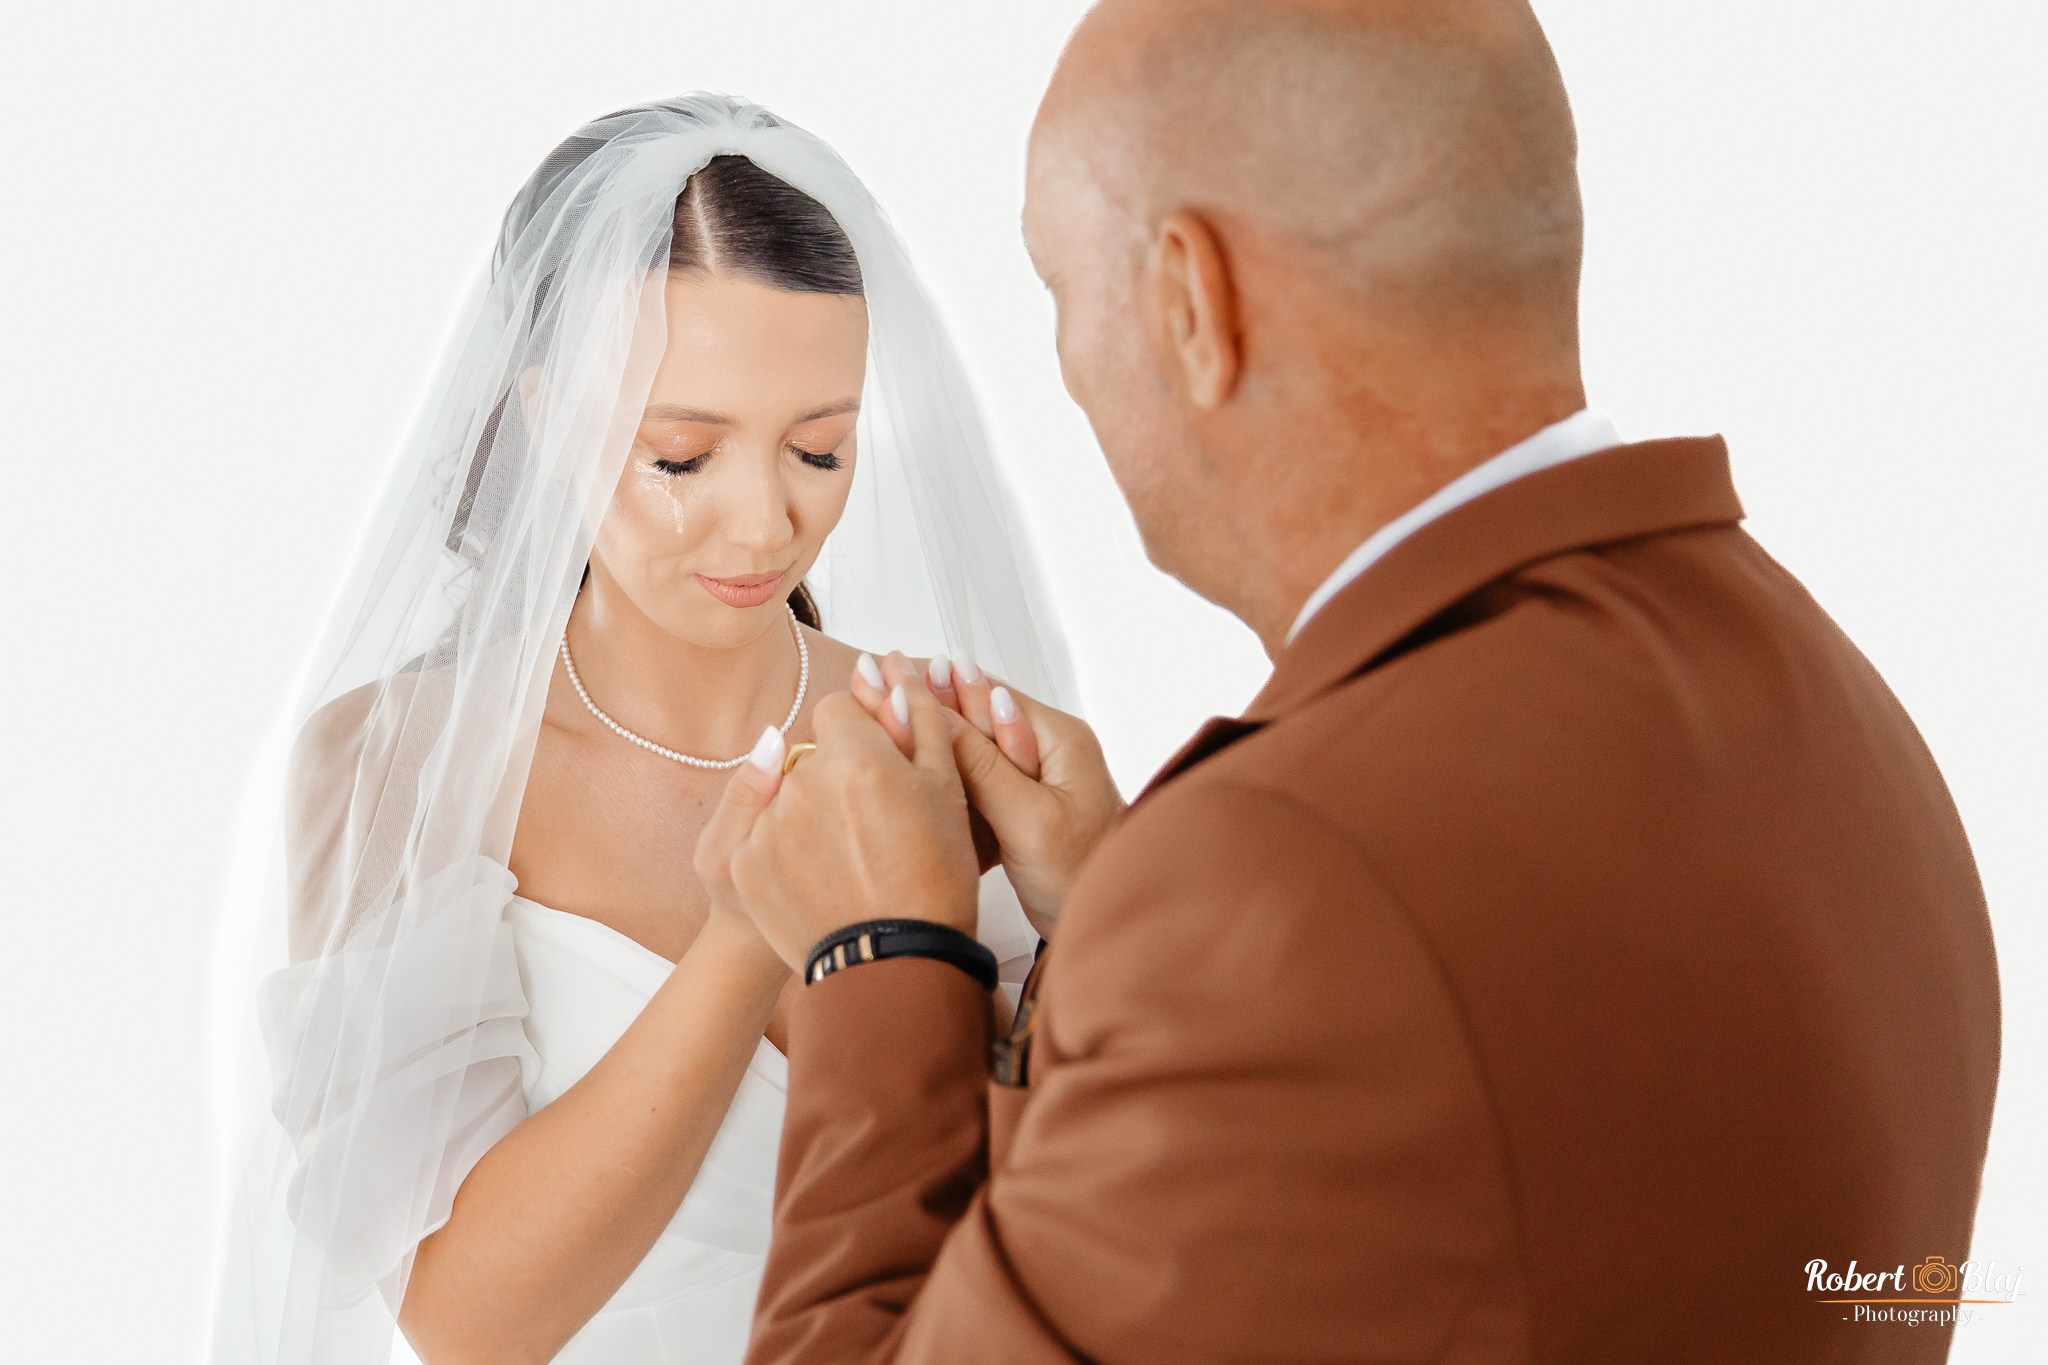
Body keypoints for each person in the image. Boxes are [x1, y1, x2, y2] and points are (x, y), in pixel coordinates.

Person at [701, 3, 2004, 1362]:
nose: (1070, 367)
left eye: (1060, 291)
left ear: (1189, 301)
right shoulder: (1836, 711)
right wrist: (1116, 929)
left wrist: (880, 959)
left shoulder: (1291, 875)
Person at [207, 94, 1076, 1365]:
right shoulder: (400, 763)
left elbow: (1084, 1226)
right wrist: (747, 941)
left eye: (817, 453)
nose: (762, 526)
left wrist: (1098, 910)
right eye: (682, 457)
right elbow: (467, 1322)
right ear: (555, 417)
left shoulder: (940, 743)